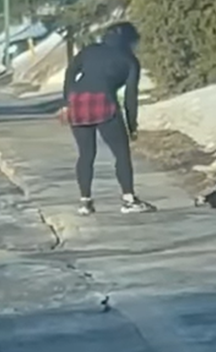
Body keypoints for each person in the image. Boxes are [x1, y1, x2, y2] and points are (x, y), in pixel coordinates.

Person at [60, 21, 156, 215]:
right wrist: (132, 125)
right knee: (121, 153)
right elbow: (130, 97)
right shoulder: (129, 60)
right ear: (129, 41)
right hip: (104, 102)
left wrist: (68, 99)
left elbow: (71, 72)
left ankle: (85, 202)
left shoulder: (89, 50)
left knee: (86, 154)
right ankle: (129, 200)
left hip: (78, 101)